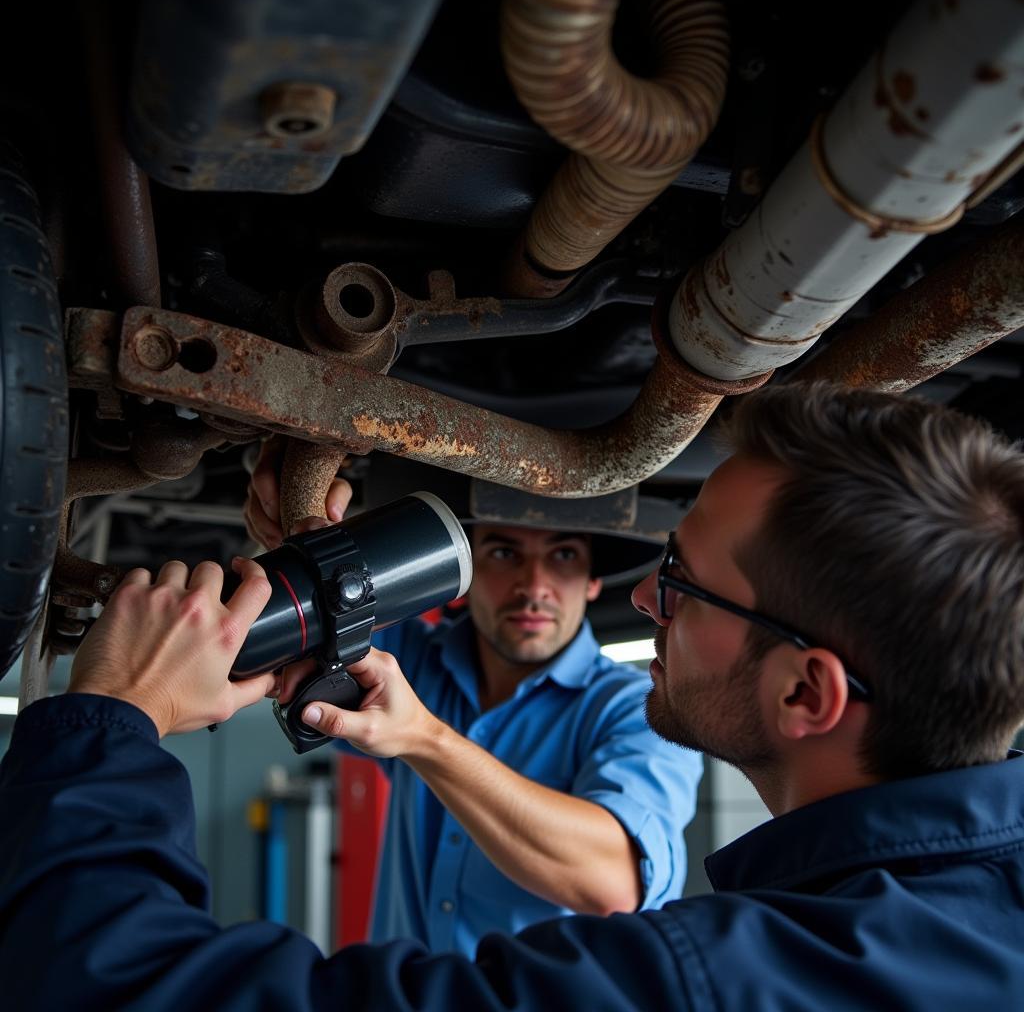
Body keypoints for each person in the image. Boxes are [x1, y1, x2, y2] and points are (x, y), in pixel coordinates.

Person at [3, 381, 1024, 1011]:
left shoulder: (706, 970)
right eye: (503, 554)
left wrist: (113, 719)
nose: (641, 599)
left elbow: (105, 983)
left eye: (679, 582)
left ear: (807, 690)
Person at [242, 458, 701, 956]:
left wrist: (426, 739)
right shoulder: (415, 661)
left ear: (591, 581)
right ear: (464, 572)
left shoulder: (636, 709)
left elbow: (613, 882)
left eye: (563, 554)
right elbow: (314, 610)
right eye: (505, 552)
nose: (534, 585)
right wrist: (293, 511)